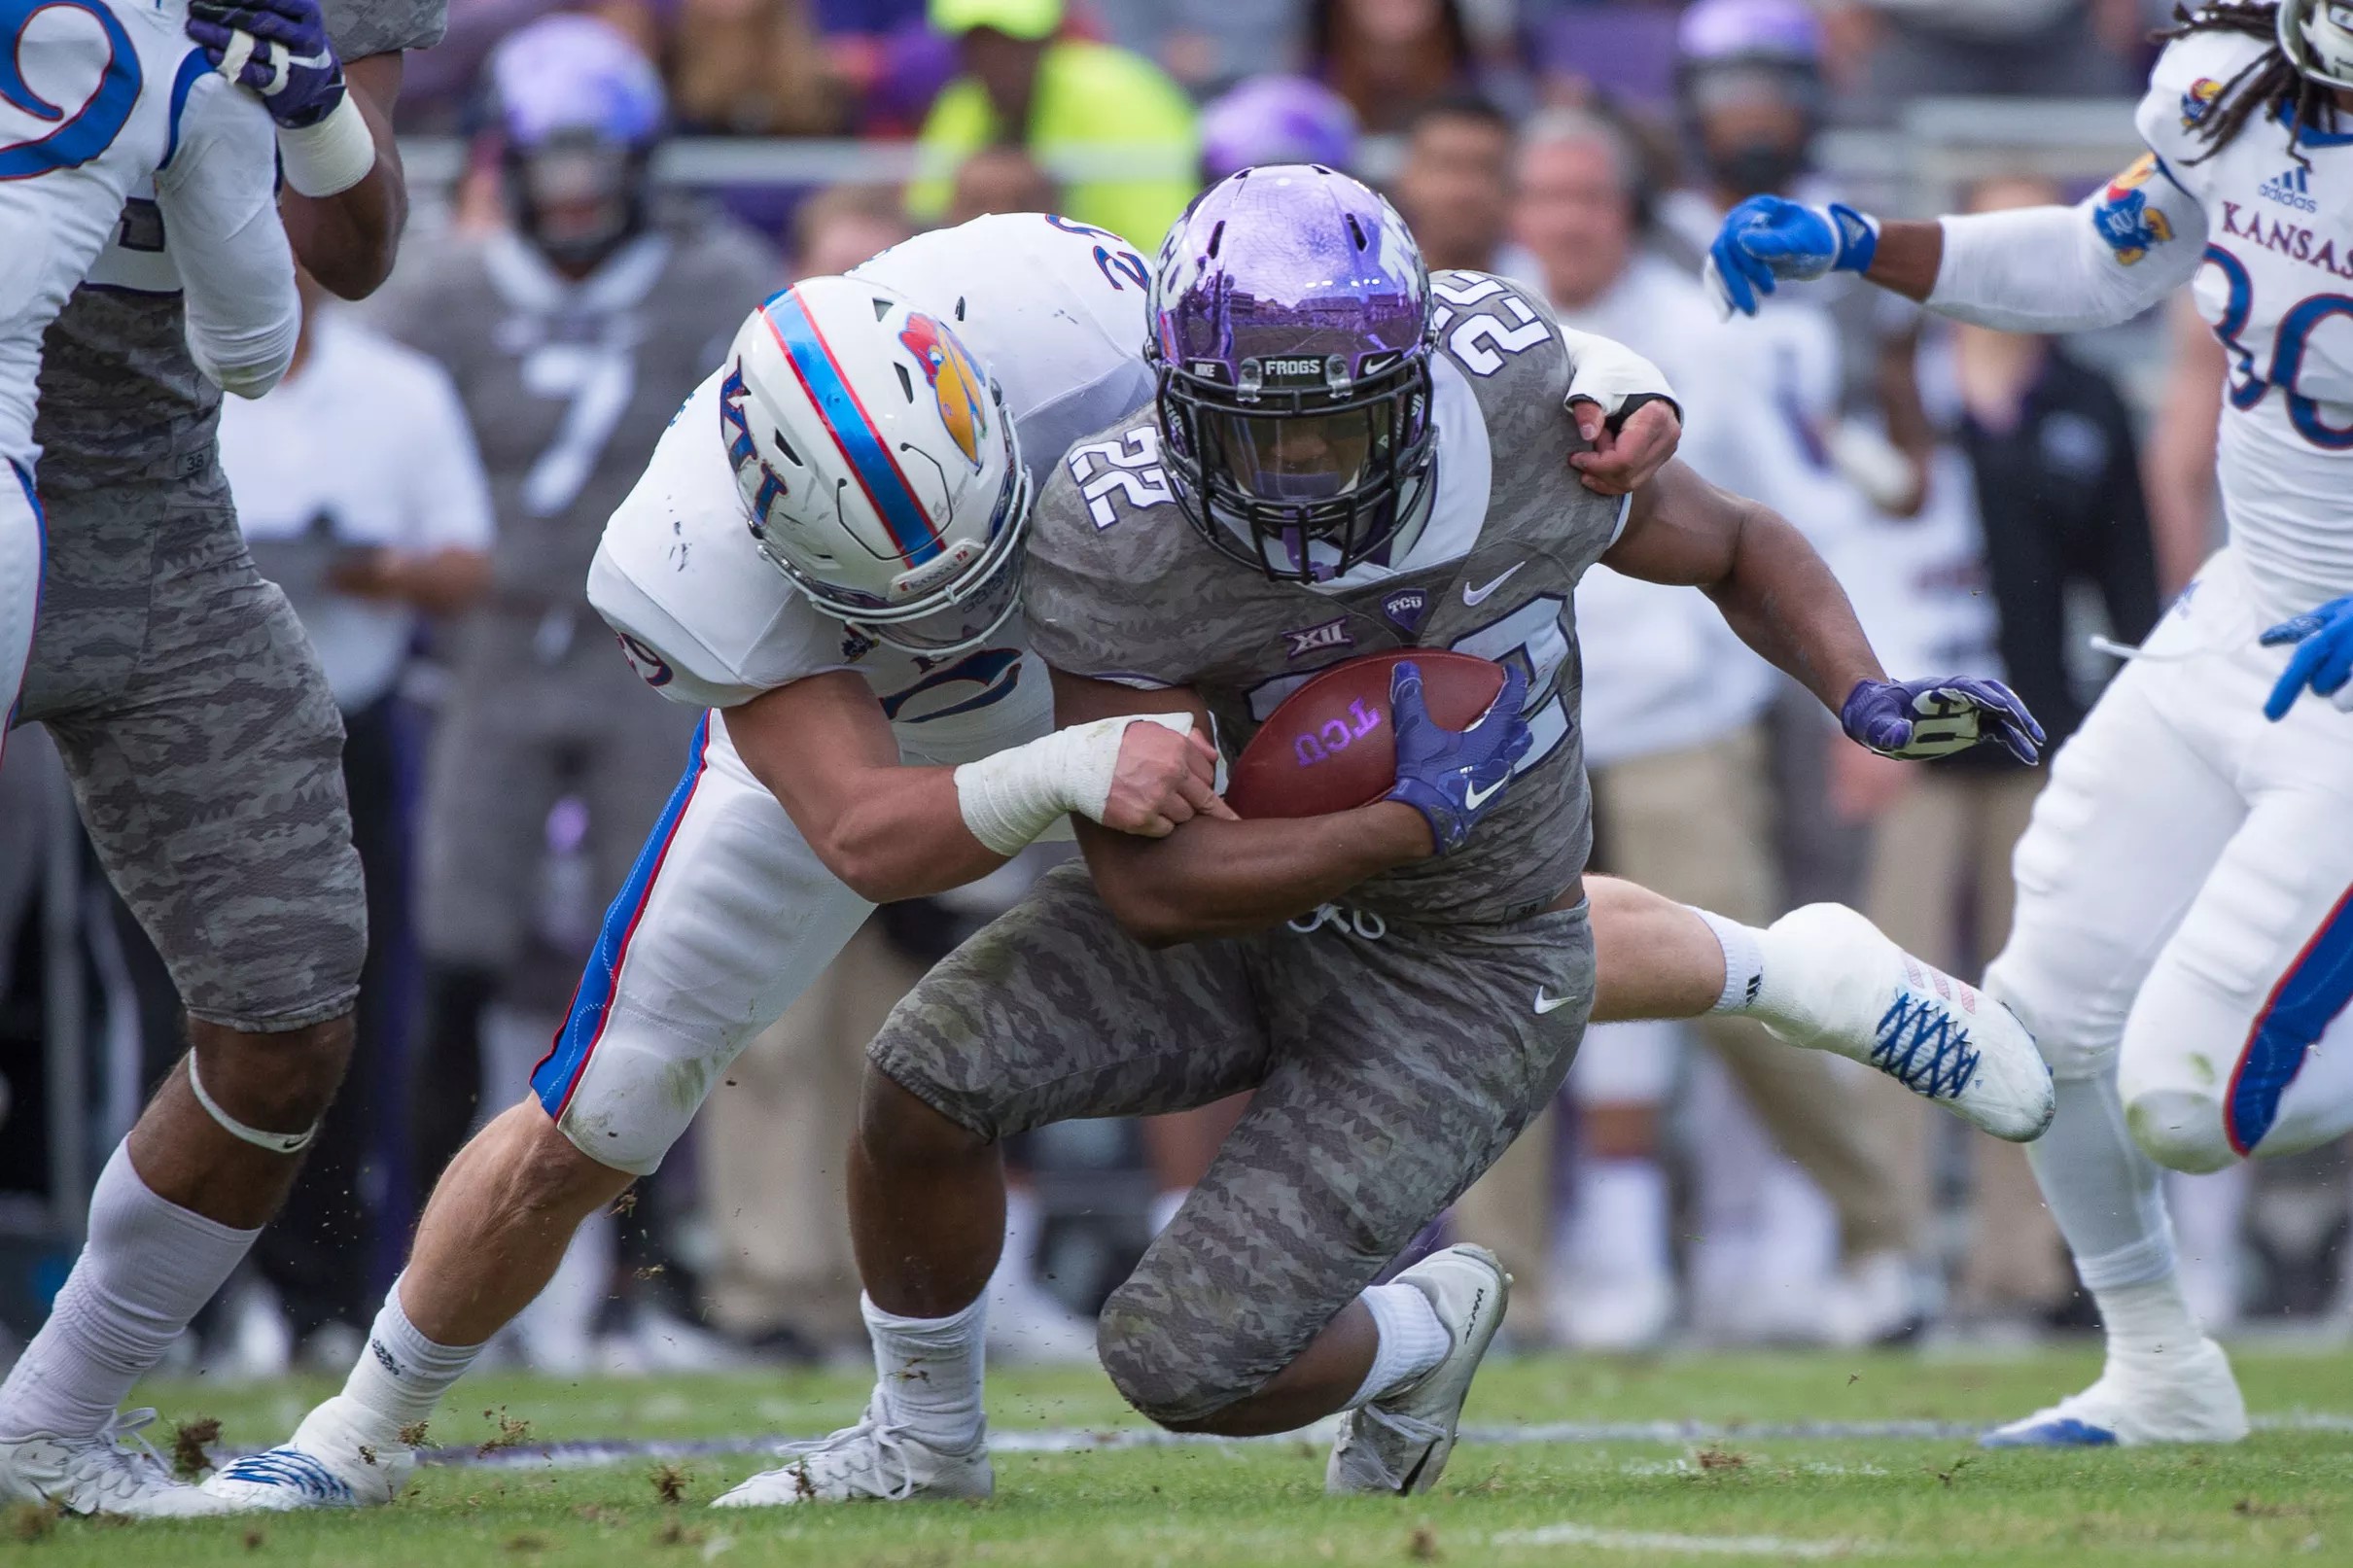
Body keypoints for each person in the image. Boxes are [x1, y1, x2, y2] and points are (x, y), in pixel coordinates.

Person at [207, 199, 2050, 1512]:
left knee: (1428, 908)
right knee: (614, 1102)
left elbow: (1384, 320)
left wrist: (1611, 388)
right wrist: (1078, 752)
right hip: (885, 751)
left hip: (1152, 703)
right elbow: (872, 826)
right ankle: (368, 1424)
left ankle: (1786, 966)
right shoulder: (697, 553)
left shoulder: (1083, 326)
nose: (1311, 460)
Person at [1706, 0, 2353, 1446]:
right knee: (2043, 1025)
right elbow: (2102, 255)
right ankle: (2159, 1371)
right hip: (2237, 622)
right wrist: (1871, 245)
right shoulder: (2225, 96)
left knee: (2181, 1100)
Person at [0, 0, 444, 1518]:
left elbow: (357, 249)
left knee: (291, 999)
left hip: (158, 514)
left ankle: (54, 1422)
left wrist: (315, 102)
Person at [1488, 107, 1921, 1347]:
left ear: (1624, 207)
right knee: (1483, 989)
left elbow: (1783, 523)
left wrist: (1854, 693)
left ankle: (1883, 1232)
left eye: (1587, 194)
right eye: (1546, 193)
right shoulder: (1478, 334)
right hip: (1511, 721)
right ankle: (1501, 1275)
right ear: (1519, 210)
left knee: (1747, 982)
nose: (1565, 217)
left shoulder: (1698, 334)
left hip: (1679, 716)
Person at [365, 16, 781, 1218]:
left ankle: (649, 1272)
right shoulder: (447, 290)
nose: (580, 194)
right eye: (555, 164)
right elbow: (375, 410)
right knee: (455, 944)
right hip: (490, 650)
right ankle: (414, 1235)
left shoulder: (714, 280)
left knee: (662, 957)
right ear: (511, 161)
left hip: (654, 654)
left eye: (600, 163)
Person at [214, 271, 496, 1359]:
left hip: (354, 716)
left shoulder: (400, 389)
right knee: (186, 1015)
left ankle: (325, 1289)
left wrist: (366, 565)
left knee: (350, 1015)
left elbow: (467, 560)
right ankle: (198, 1299)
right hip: (199, 733)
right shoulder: (173, 374)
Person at [908, 0, 1199, 254]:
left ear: (1049, 39)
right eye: (977, 42)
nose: (994, 58)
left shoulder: (1117, 95)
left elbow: (1159, 244)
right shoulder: (961, 103)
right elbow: (924, 219)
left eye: (1013, 41)